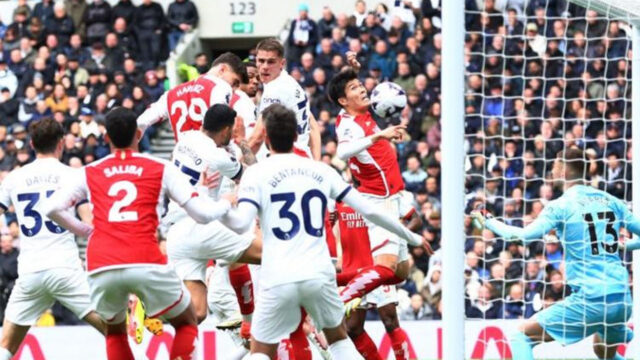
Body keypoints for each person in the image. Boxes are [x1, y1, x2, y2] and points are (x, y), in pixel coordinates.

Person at [220, 103, 426, 360]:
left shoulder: (257, 174)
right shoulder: (322, 171)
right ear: (297, 136)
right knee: (339, 339)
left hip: (278, 274)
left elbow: (240, 224)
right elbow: (372, 211)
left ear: (267, 139)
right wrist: (413, 237)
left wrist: (221, 207)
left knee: (261, 351)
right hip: (319, 273)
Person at [44, 107, 235, 360]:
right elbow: (201, 214)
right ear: (138, 133)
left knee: (114, 332)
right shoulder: (160, 167)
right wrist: (225, 202)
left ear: (106, 138)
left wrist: (85, 230)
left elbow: (52, 208)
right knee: (187, 321)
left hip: (102, 262)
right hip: (145, 258)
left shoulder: (89, 171)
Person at [472, 147, 635, 360]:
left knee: (521, 336)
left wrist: (489, 221)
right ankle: (621, 332)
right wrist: (625, 246)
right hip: (622, 299)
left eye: (555, 164)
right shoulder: (612, 201)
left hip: (592, 298)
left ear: (563, 171)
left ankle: (621, 332)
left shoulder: (561, 206)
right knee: (603, 351)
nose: (551, 168)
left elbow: (521, 236)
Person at [0, 119, 106, 360]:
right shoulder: (73, 176)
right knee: (114, 331)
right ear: (61, 144)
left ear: (31, 144)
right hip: (65, 269)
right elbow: (90, 223)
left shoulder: (14, 178)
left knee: (5, 345)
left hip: (30, 272)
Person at [327, 55, 425, 309]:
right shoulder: (349, 125)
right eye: (354, 88)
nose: (361, 89)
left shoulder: (357, 112)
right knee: (386, 266)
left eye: (360, 85)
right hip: (377, 200)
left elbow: (343, 86)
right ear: (343, 101)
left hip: (393, 196)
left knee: (400, 272)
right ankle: (336, 301)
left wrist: (352, 70)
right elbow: (343, 152)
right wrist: (380, 135)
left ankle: (329, 282)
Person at [165, 104, 260, 328]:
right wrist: (242, 140)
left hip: (177, 232)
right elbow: (253, 176)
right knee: (270, 251)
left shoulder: (185, 140)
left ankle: (151, 310)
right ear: (227, 130)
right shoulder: (218, 156)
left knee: (196, 313)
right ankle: (253, 323)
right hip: (200, 225)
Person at [336, 189, 420, 360]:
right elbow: (327, 224)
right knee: (353, 328)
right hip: (352, 270)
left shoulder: (384, 192)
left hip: (379, 266)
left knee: (389, 321)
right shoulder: (339, 192)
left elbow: (415, 219)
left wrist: (399, 237)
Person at [137, 52, 246, 141]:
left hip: (181, 159)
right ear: (222, 69)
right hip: (208, 158)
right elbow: (220, 125)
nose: (235, 88)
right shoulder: (221, 86)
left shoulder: (171, 93)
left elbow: (141, 122)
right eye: (235, 82)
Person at [248, 38, 321, 160]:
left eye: (271, 62)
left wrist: (235, 168)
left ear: (282, 63)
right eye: (261, 61)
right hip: (303, 157)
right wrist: (317, 161)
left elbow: (257, 138)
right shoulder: (290, 82)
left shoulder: (275, 90)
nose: (265, 67)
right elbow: (312, 124)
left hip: (288, 158)